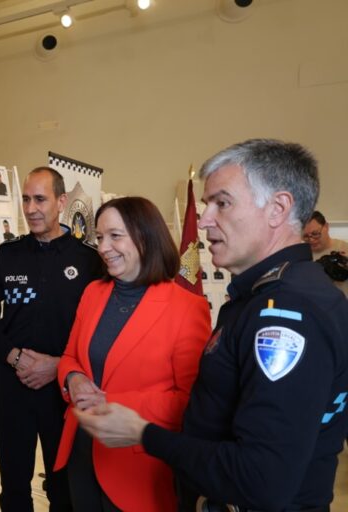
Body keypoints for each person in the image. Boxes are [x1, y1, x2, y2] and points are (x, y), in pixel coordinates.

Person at [74, 139, 348, 511]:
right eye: (205, 205)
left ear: (278, 208)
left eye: (222, 203)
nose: (203, 221)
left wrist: (143, 433)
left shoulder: (287, 312)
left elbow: (261, 478)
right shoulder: (264, 296)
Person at [55, 197, 210, 511]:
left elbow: (190, 401)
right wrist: (73, 378)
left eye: (115, 236)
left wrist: (109, 402)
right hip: (81, 450)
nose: (103, 247)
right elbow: (70, 356)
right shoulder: (93, 293)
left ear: (146, 237)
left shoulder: (186, 307)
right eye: (100, 237)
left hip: (137, 465)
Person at [0, 166, 104, 511]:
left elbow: (99, 331)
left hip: (63, 390)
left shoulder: (89, 260)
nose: (31, 209)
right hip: (13, 387)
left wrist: (58, 366)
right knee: (14, 486)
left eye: (40, 199)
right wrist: (15, 357)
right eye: (26, 199)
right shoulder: (8, 254)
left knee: (64, 488)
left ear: (61, 201)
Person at [303, 210, 348, 296]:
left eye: (315, 233)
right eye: (305, 236)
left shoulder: (345, 248)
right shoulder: (300, 257)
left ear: (326, 227)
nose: (311, 239)